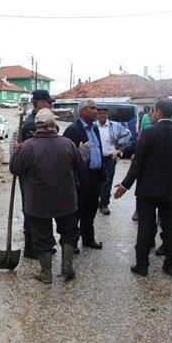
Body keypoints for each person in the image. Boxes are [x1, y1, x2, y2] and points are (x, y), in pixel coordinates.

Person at [10, 108, 90, 283]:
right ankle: (67, 267)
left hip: (38, 202)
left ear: (37, 127)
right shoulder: (67, 144)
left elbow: (15, 169)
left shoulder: (27, 147)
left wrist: (16, 151)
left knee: (42, 236)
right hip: (65, 200)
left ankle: (46, 273)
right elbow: (80, 165)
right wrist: (84, 150)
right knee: (69, 232)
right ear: (53, 124)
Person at [114, 99, 172, 276]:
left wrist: (124, 186)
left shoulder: (148, 134)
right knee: (170, 227)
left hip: (148, 190)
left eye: (153, 112)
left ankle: (142, 265)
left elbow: (137, 164)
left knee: (145, 227)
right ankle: (170, 265)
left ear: (158, 113)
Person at [10, 89, 56, 259]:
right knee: (32, 209)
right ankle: (32, 247)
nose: (52, 106)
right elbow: (31, 155)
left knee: (38, 208)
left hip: (37, 175)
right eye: (49, 103)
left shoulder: (36, 121)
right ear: (41, 104)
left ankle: (41, 245)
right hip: (32, 176)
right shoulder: (31, 125)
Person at [62, 99, 106, 250]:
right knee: (77, 211)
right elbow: (68, 157)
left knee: (91, 209)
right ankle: (71, 243)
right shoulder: (73, 130)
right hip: (80, 178)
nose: (96, 111)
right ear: (82, 111)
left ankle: (88, 238)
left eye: (96, 108)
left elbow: (98, 152)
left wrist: (102, 174)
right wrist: (74, 178)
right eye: (91, 108)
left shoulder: (94, 129)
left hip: (94, 176)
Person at [96, 106, 132, 215]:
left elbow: (128, 133)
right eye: (100, 113)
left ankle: (104, 204)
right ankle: (95, 201)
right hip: (97, 158)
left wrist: (119, 144)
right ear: (97, 114)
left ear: (107, 115)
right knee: (95, 181)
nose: (102, 115)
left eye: (104, 113)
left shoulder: (114, 125)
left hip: (109, 158)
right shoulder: (93, 126)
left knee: (107, 181)